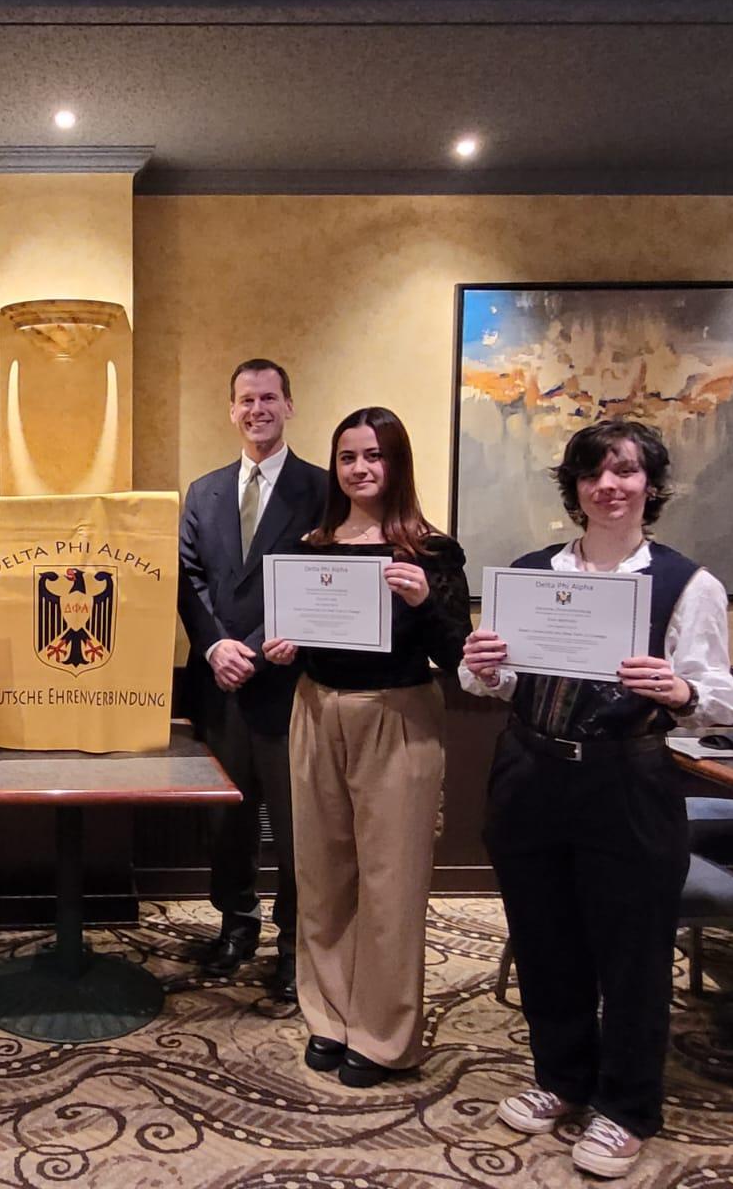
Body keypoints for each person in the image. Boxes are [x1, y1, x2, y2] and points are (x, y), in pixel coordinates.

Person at [460, 419, 733, 1179]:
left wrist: (680, 690)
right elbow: (497, 682)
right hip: (529, 773)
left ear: (651, 486)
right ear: (576, 487)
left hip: (628, 779)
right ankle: (561, 1077)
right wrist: (483, 664)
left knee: (632, 951)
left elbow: (720, 700)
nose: (609, 486)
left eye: (626, 473)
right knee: (545, 939)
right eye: (594, 473)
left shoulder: (688, 584)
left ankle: (626, 1107)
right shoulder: (530, 572)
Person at [262, 406, 470, 1086]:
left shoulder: (431, 551)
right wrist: (285, 647)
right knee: (322, 874)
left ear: (396, 463)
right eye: (348, 456)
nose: (360, 469)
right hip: (316, 711)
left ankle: (384, 1036)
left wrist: (421, 603)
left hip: (399, 717)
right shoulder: (311, 543)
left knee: (392, 881)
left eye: (374, 456)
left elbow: (460, 656)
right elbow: (301, 635)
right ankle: (329, 1017)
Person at [178, 358, 327, 1000]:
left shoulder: (323, 490)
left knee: (296, 829)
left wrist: (255, 651)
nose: (257, 409)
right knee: (227, 822)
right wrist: (215, 649)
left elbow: (323, 584)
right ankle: (236, 926)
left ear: (289, 405)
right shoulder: (203, 491)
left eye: (269, 397)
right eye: (245, 399)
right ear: (230, 409)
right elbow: (188, 580)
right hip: (218, 688)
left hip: (289, 686)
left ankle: (294, 947)